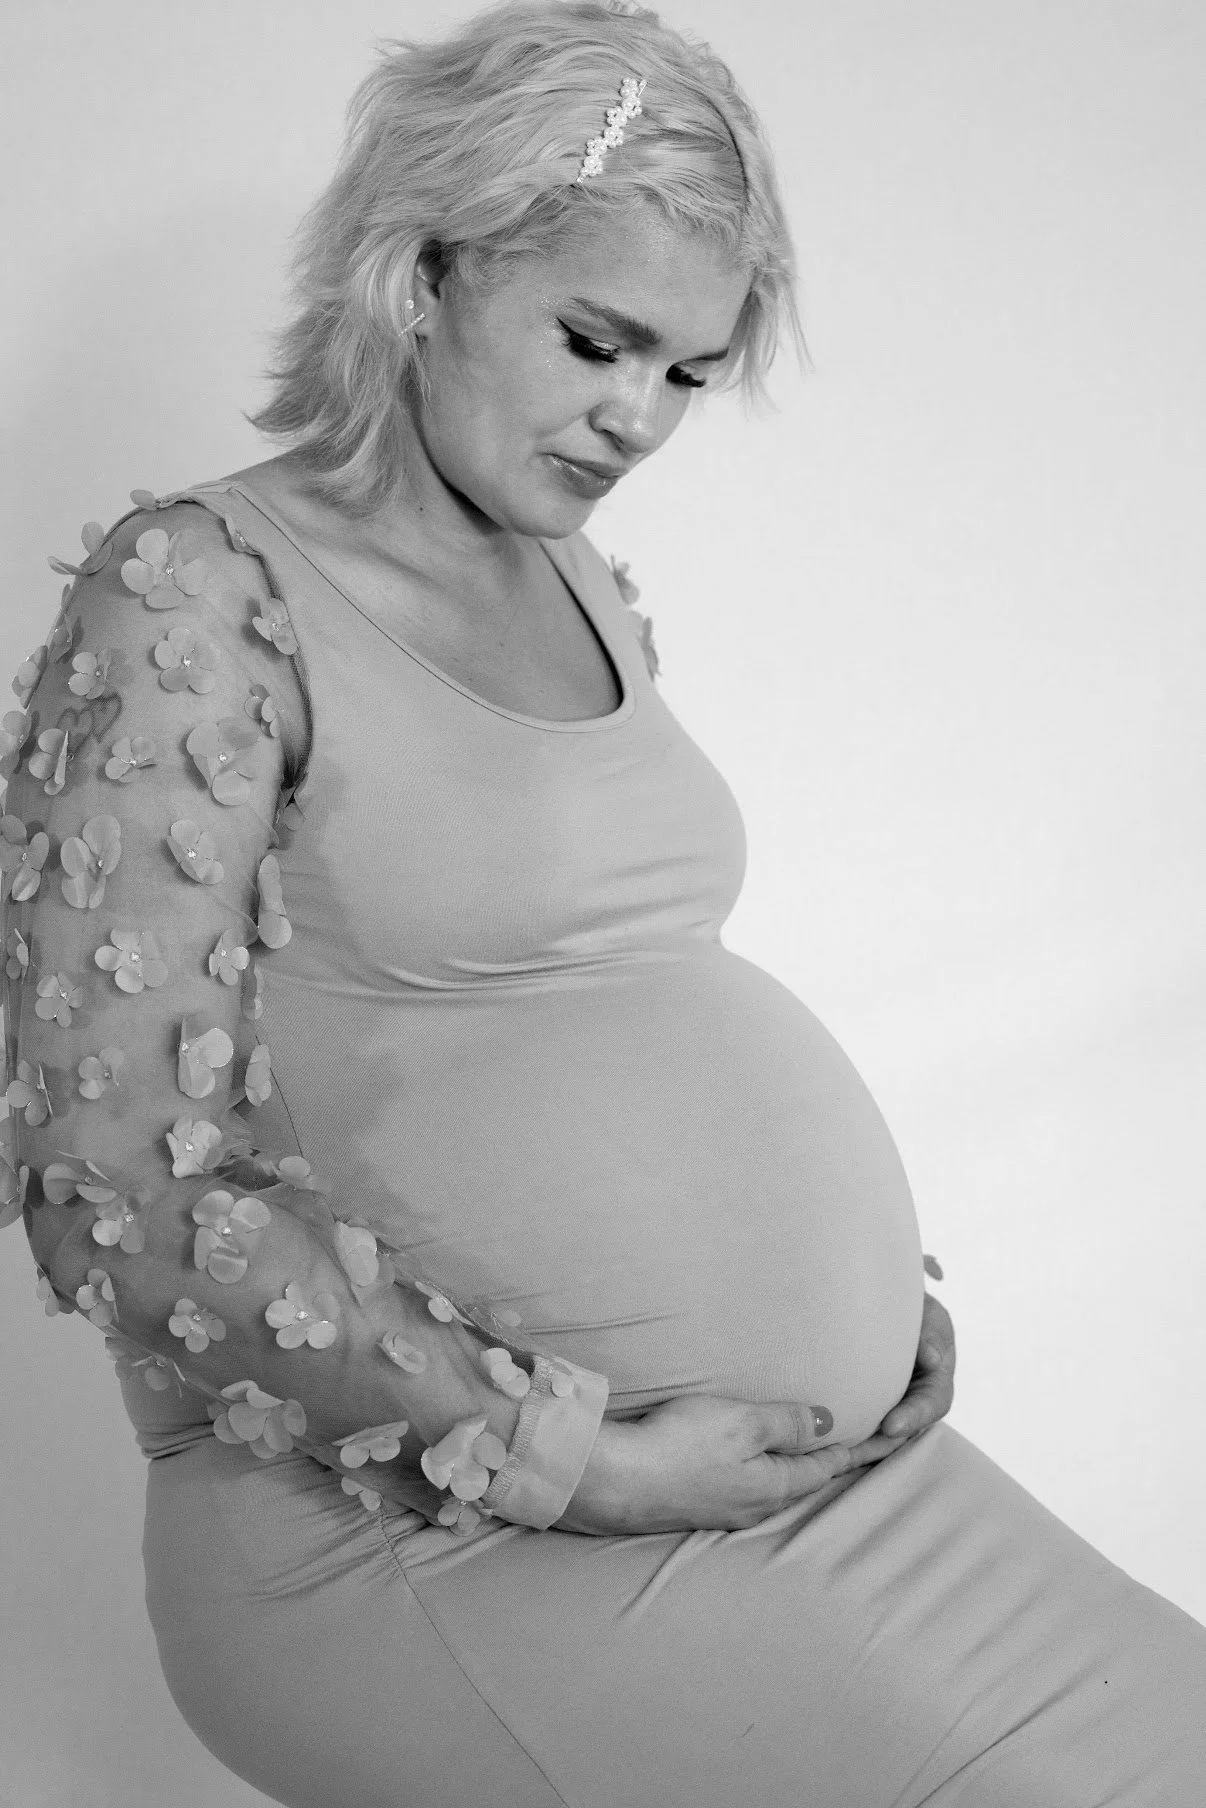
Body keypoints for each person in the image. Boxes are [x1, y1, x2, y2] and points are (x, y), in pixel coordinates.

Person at [2, 2, 1203, 1803]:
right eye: (596, 340)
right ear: (420, 271)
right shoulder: (189, 590)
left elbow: (601, 1004)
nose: (638, 416)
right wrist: (574, 1455)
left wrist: (856, 1313)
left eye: (688, 371)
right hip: (444, 1545)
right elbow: (110, 1190)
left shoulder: (583, 586)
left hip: (791, 1490)